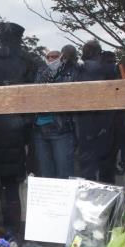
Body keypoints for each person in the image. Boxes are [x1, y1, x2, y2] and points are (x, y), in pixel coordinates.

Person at [0, 22, 40, 234]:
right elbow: (32, 103)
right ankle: (13, 234)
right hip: (13, 136)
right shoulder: (26, 65)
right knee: (10, 191)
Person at [32, 44, 80, 179]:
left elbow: (67, 96)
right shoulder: (41, 71)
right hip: (40, 129)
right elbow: (35, 93)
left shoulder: (71, 71)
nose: (51, 59)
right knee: (46, 174)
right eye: (48, 57)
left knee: (64, 173)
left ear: (61, 57)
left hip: (61, 130)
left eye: (55, 56)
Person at [75, 40, 119, 182]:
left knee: (88, 166)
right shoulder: (108, 69)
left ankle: (89, 196)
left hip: (87, 121)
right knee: (105, 166)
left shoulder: (80, 70)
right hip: (104, 120)